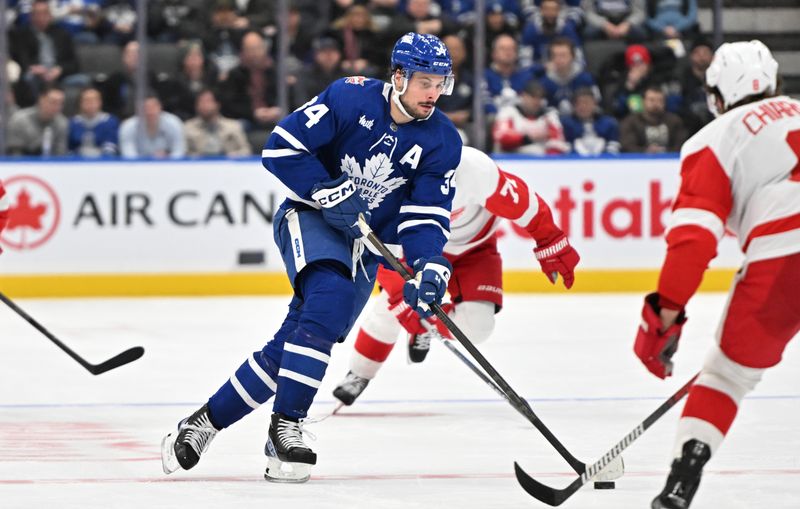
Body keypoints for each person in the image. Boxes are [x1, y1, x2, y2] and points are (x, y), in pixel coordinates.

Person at [161, 32, 463, 483]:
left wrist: (429, 265)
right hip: (312, 216)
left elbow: (425, 217)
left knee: (300, 340)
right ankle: (287, 427)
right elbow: (280, 147)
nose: (434, 93)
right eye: (424, 82)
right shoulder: (349, 96)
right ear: (398, 76)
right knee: (329, 299)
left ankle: (204, 422)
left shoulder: (443, 140)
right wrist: (324, 189)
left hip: (365, 244)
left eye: (441, 83)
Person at [632, 40, 800, 509]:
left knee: (725, 377)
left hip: (785, 260)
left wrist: (662, 315)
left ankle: (680, 485)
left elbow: (693, 241)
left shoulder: (715, 137)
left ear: (718, 94)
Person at [332, 146, 580, 404]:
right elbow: (378, 251)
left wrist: (550, 240)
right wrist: (399, 295)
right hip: (417, 252)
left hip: (475, 249)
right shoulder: (386, 184)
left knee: (479, 326)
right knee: (390, 311)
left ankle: (425, 324)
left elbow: (525, 204)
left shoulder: (474, 169)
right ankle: (359, 373)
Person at [492, 80, 569, 155]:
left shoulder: (549, 116)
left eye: (540, 97)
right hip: (511, 158)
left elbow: (559, 142)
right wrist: (528, 138)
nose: (536, 101)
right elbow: (501, 137)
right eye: (533, 97)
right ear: (523, 96)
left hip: (540, 160)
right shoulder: (508, 112)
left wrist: (548, 158)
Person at [184, 89, 251, 157]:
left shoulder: (233, 126)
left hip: (228, 164)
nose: (204, 105)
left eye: (208, 101)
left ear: (217, 104)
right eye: (201, 102)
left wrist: (233, 156)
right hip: (198, 165)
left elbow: (246, 150)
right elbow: (184, 152)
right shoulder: (188, 127)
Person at [620, 86, 685, 153]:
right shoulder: (631, 122)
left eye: (660, 100)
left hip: (670, 161)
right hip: (639, 161)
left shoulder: (675, 121)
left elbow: (681, 145)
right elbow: (627, 145)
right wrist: (645, 151)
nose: (655, 104)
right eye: (651, 100)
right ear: (643, 101)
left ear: (665, 103)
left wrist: (665, 151)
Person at [118, 94, 186, 159]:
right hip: (138, 167)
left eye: (153, 107)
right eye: (146, 108)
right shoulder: (128, 127)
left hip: (168, 166)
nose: (150, 112)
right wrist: (149, 161)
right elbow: (128, 156)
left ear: (160, 107)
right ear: (138, 110)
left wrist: (167, 161)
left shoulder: (173, 123)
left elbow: (179, 151)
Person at [7, 86, 68, 156]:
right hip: (22, 163)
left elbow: (60, 153)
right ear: (41, 99)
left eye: (60, 103)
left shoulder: (62, 123)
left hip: (51, 164)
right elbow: (14, 152)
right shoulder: (20, 120)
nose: (57, 107)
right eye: (53, 102)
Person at [560, 87, 620, 155]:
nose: (583, 106)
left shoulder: (609, 124)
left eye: (587, 102)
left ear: (595, 104)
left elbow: (613, 150)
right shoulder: (565, 124)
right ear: (574, 106)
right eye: (579, 103)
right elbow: (565, 150)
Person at [68, 87, 120, 157]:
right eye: (87, 100)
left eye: (93, 100)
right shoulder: (73, 122)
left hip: (103, 164)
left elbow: (110, 148)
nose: (90, 104)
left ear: (100, 102)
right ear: (80, 103)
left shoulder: (109, 121)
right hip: (78, 164)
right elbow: (70, 149)